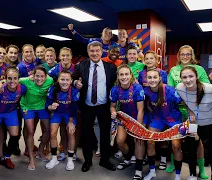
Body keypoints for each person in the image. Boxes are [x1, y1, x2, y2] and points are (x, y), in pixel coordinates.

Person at [0, 66, 53, 170]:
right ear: (32, 76)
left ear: (46, 77)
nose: (39, 79)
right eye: (37, 76)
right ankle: (31, 158)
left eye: (42, 77)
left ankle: (40, 151)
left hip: (41, 107)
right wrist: (0, 82)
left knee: (48, 130)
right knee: (30, 131)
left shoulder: (50, 80)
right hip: (27, 107)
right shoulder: (25, 80)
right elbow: (11, 78)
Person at [72, 41, 117, 172]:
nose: (95, 53)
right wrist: (75, 82)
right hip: (87, 106)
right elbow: (73, 77)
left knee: (105, 135)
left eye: (97, 51)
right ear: (88, 52)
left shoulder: (110, 67)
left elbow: (117, 82)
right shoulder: (81, 66)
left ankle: (105, 160)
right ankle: (87, 161)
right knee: (86, 135)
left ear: (102, 51)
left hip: (104, 106)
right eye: (92, 51)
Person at [166, 45, 209, 179]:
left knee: (196, 141)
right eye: (182, 54)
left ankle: (201, 169)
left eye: (188, 54)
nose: (185, 57)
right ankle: (173, 163)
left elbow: (206, 88)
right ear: (178, 56)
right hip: (176, 112)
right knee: (175, 139)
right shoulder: (173, 70)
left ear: (192, 56)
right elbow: (170, 90)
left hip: (194, 112)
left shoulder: (199, 69)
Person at [176, 66, 212, 180]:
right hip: (194, 123)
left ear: (196, 76)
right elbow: (183, 100)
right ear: (181, 79)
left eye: (191, 76)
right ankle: (192, 174)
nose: (188, 80)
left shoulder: (210, 89)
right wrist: (189, 111)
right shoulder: (180, 88)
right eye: (184, 77)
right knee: (190, 148)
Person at [143, 68, 183, 180]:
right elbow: (144, 105)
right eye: (149, 77)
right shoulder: (145, 91)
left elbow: (183, 102)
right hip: (158, 118)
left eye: (155, 77)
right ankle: (151, 172)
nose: (152, 80)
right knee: (149, 142)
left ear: (160, 78)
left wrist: (191, 118)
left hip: (173, 119)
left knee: (176, 146)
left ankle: (178, 176)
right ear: (146, 79)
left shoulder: (169, 90)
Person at [109, 64, 144, 179]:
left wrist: (138, 128)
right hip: (124, 118)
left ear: (131, 75)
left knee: (138, 141)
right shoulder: (115, 89)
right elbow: (112, 106)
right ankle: (128, 159)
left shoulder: (137, 88)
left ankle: (138, 170)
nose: (124, 77)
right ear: (118, 77)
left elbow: (140, 110)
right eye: (121, 75)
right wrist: (113, 112)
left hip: (137, 117)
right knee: (119, 141)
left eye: (126, 74)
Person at [45, 70, 79, 171]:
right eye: (62, 79)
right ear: (58, 80)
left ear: (71, 81)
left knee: (71, 133)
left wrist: (70, 122)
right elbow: (47, 104)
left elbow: (74, 108)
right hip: (57, 113)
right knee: (53, 133)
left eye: (67, 80)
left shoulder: (74, 91)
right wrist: (51, 106)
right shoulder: (53, 89)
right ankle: (54, 158)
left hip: (69, 114)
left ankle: (70, 159)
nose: (64, 82)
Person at [47, 47, 76, 160]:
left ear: (71, 57)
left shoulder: (76, 68)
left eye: (67, 55)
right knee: (56, 131)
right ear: (59, 57)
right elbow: (46, 79)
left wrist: (77, 83)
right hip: (58, 103)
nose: (65, 57)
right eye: (63, 55)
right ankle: (61, 151)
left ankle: (71, 152)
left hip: (71, 103)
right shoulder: (54, 70)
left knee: (71, 130)